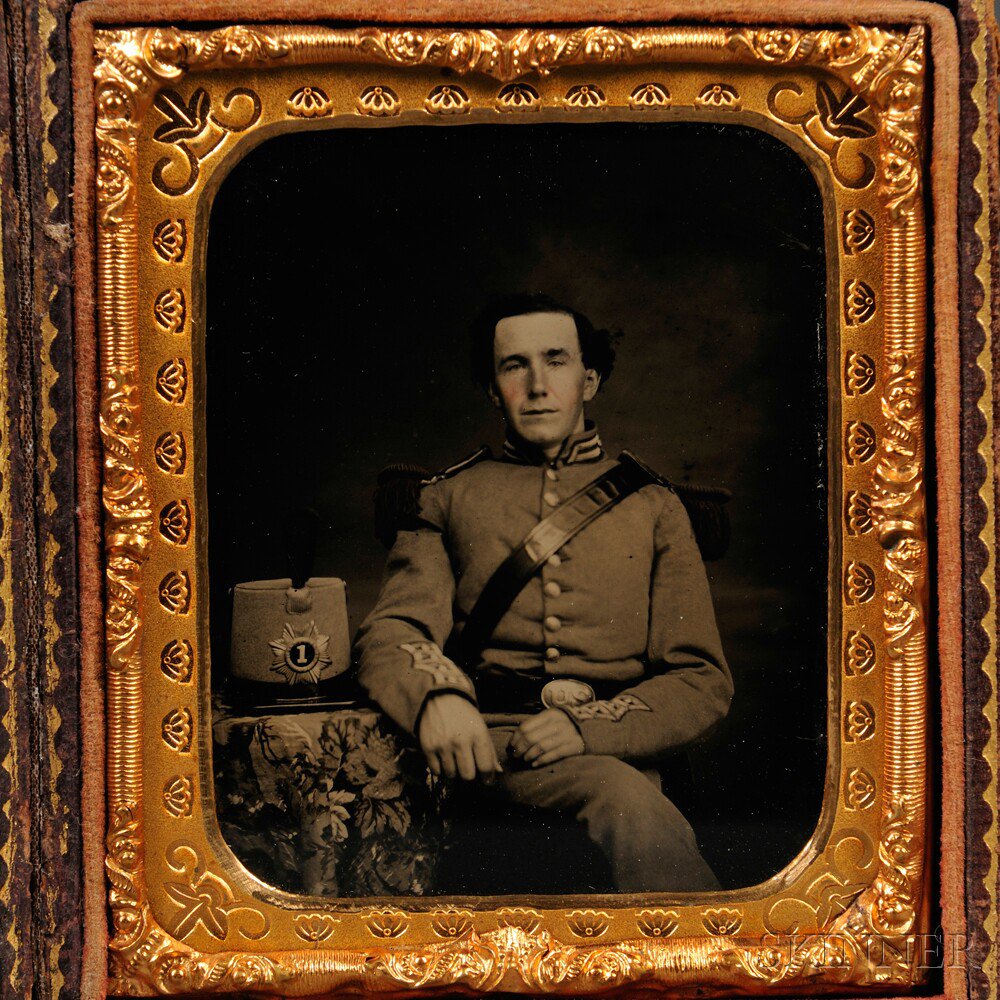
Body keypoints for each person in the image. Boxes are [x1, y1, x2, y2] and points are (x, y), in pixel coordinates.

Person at [354, 293, 732, 892]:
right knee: (615, 795)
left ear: (590, 380)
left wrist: (591, 729)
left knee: (621, 793)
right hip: (490, 749)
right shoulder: (447, 498)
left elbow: (700, 678)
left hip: (622, 753)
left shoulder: (654, 506)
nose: (535, 385)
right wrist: (437, 697)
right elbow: (395, 630)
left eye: (555, 361)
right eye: (513, 366)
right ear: (491, 388)